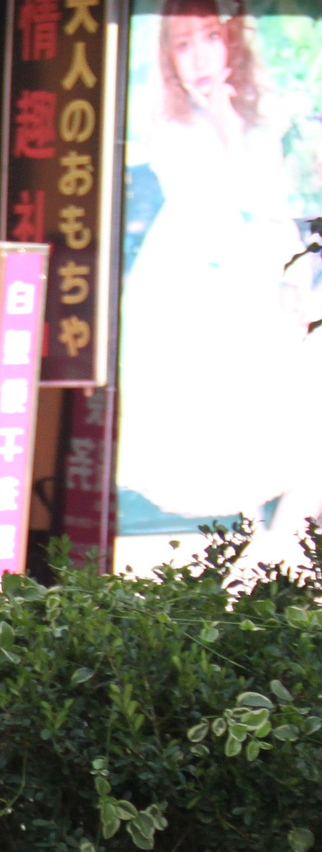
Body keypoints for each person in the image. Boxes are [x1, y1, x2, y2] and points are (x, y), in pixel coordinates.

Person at [117, 1, 322, 562]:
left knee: (294, 399)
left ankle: (283, 536)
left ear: (232, 40)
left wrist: (295, 278)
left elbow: (277, 205)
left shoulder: (265, 109)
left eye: (210, 37)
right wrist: (230, 133)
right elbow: (219, 214)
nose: (201, 56)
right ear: (168, 57)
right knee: (221, 409)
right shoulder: (173, 125)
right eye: (183, 44)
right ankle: (252, 539)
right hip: (200, 277)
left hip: (264, 266)